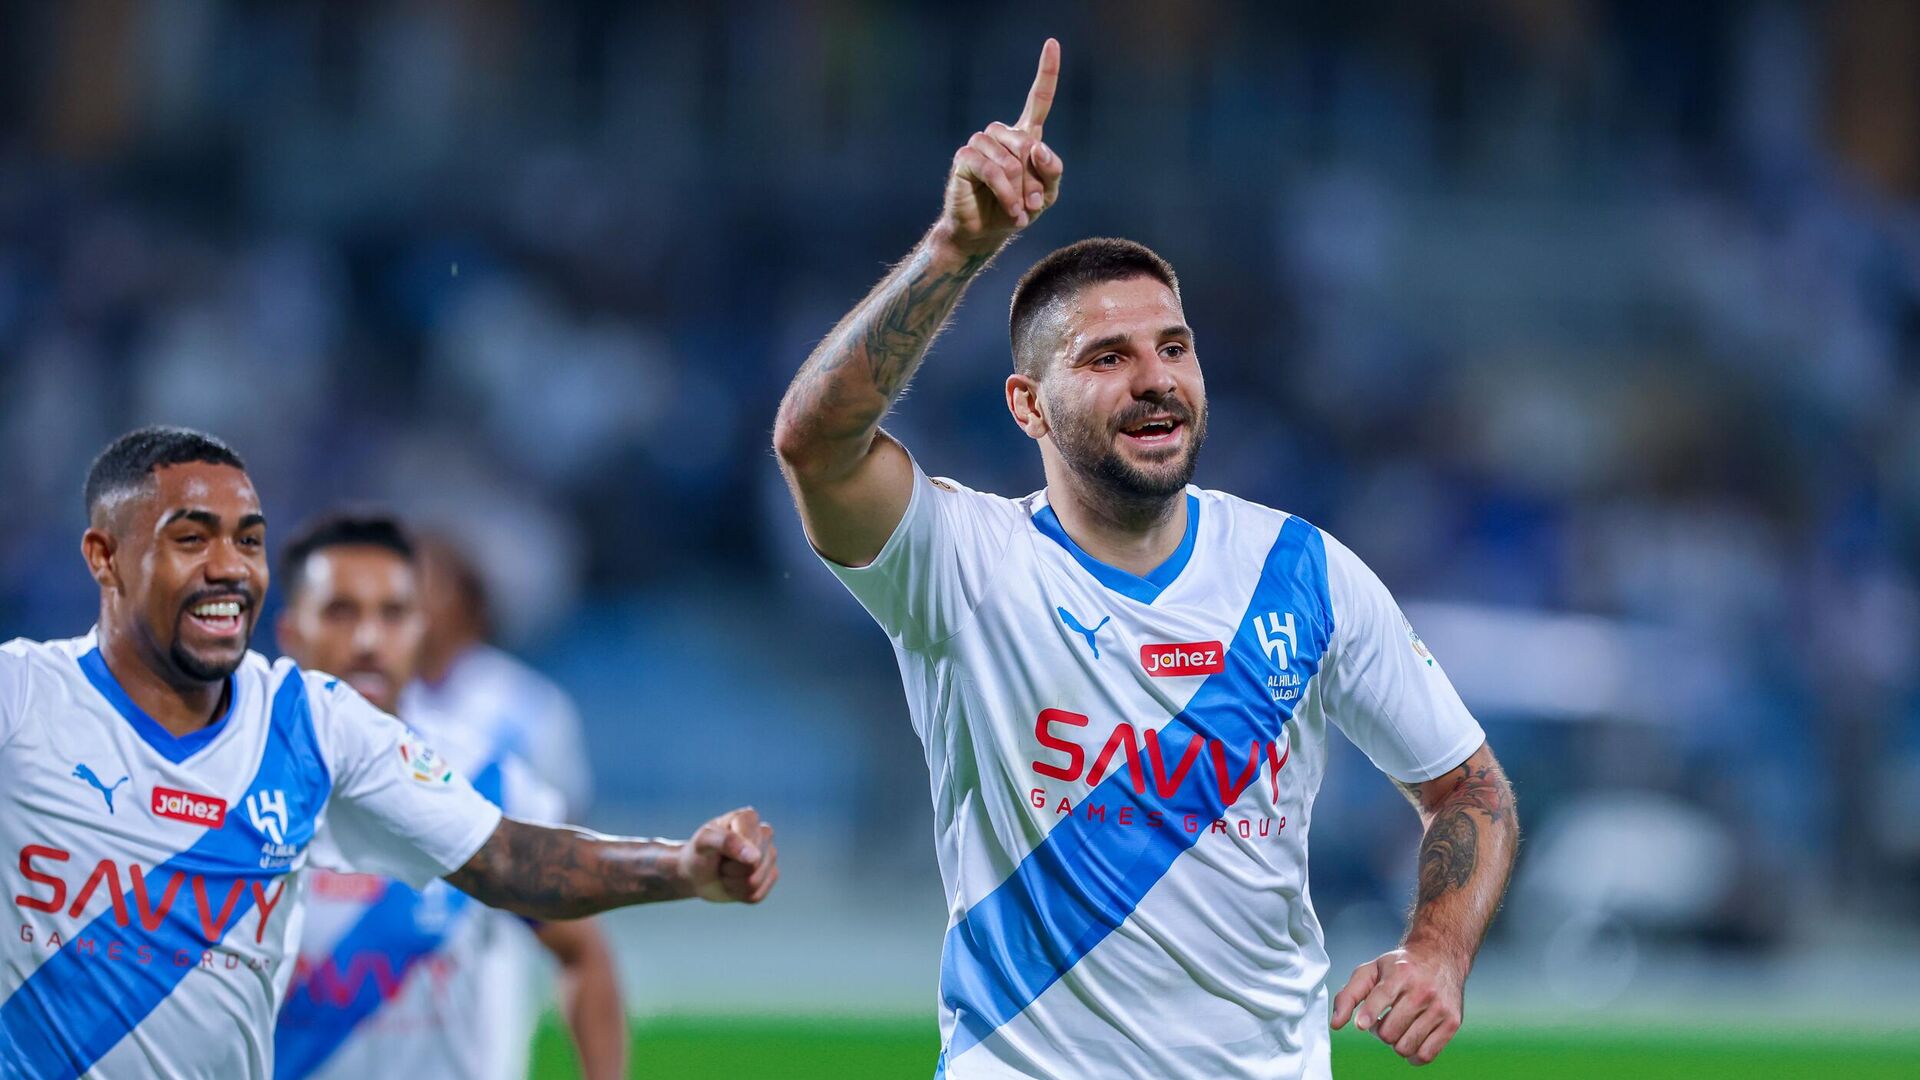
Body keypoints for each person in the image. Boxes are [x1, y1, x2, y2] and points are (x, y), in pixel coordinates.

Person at [772, 39, 1516, 1079]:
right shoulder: (964, 563)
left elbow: (1470, 790)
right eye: (1107, 357)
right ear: (1028, 406)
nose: (1156, 379)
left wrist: (1438, 952)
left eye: (1174, 347)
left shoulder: (1302, 573)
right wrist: (955, 248)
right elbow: (815, 445)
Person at [0, 427, 777, 1079]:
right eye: (191, 539)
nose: (230, 567)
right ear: (103, 556)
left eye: (249, 540)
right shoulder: (23, 699)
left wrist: (680, 867)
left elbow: (510, 859)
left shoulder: (314, 725)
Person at [269, 512, 625, 1080]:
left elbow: (584, 949)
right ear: (290, 633)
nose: (368, 640)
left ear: (420, 629)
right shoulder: (231, 777)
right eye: (340, 612)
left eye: (393, 615)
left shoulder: (487, 780)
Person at [407, 533, 593, 820]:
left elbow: (566, 813)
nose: (416, 600)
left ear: (467, 600)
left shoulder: (528, 704)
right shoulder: (375, 696)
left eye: (430, 584)